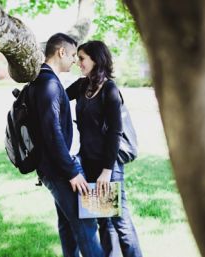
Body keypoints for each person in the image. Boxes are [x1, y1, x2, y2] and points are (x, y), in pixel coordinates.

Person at [66, 40, 143, 257]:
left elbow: (115, 133)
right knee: (103, 219)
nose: (77, 63)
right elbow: (59, 96)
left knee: (120, 222)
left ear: (95, 60)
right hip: (88, 162)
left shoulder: (109, 89)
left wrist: (106, 172)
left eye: (81, 58)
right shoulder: (82, 86)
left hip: (109, 167)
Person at [30, 33, 104, 257]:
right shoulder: (49, 85)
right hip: (63, 169)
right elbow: (52, 134)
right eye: (73, 55)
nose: (74, 60)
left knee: (68, 226)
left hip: (55, 168)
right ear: (61, 52)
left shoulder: (43, 80)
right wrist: (72, 171)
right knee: (86, 225)